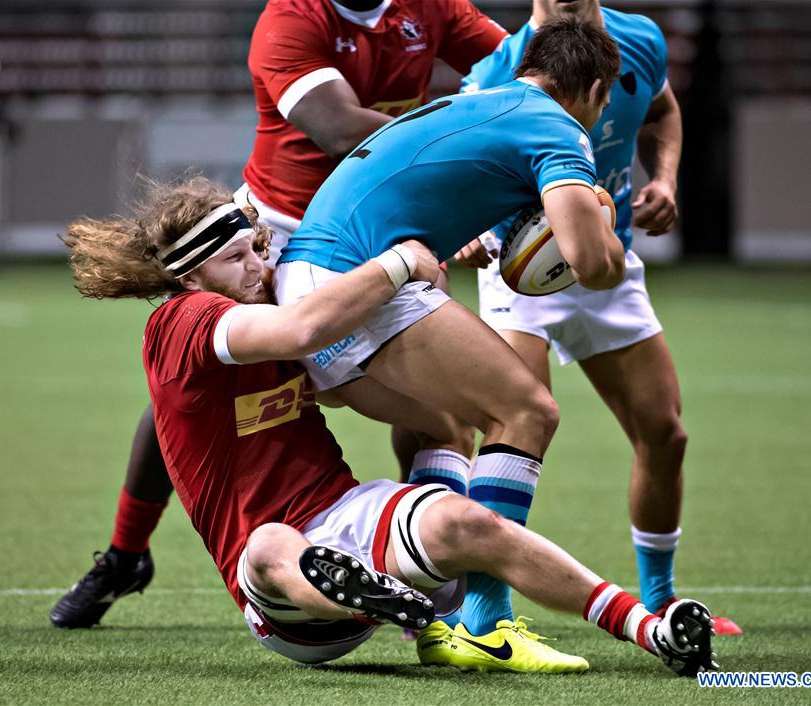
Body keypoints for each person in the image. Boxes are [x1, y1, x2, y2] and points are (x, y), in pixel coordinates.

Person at [60, 176, 718, 676]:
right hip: (280, 607)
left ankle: (651, 632)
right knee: (265, 544)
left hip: (345, 515)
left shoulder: (264, 301)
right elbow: (302, 328)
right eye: (235, 259)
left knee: (471, 520)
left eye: (255, 248)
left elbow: (367, 395)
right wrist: (398, 263)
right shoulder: (183, 322)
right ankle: (354, 592)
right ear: (186, 275)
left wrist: (426, 317)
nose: (258, 267)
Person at [50, 0, 506, 631]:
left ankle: (425, 572)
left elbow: (514, 75)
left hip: (381, 229)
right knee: (187, 390)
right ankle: (127, 555)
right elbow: (343, 131)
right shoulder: (294, 16)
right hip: (280, 235)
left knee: (439, 408)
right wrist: (469, 155)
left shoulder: (432, 7)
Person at [272, 17, 632, 666]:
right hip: (357, 275)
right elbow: (587, 258)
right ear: (597, 88)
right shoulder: (556, 126)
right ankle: (484, 624)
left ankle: (434, 622)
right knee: (526, 411)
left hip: (304, 284)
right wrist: (603, 225)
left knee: (445, 428)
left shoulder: (475, 105)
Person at [454, 0, 741, 635]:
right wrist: (466, 230)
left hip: (609, 260)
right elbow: (462, 165)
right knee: (515, 428)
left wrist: (665, 180)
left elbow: (662, 111)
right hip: (520, 266)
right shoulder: (496, 69)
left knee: (665, 433)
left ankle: (663, 599)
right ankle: (483, 614)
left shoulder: (639, 40)